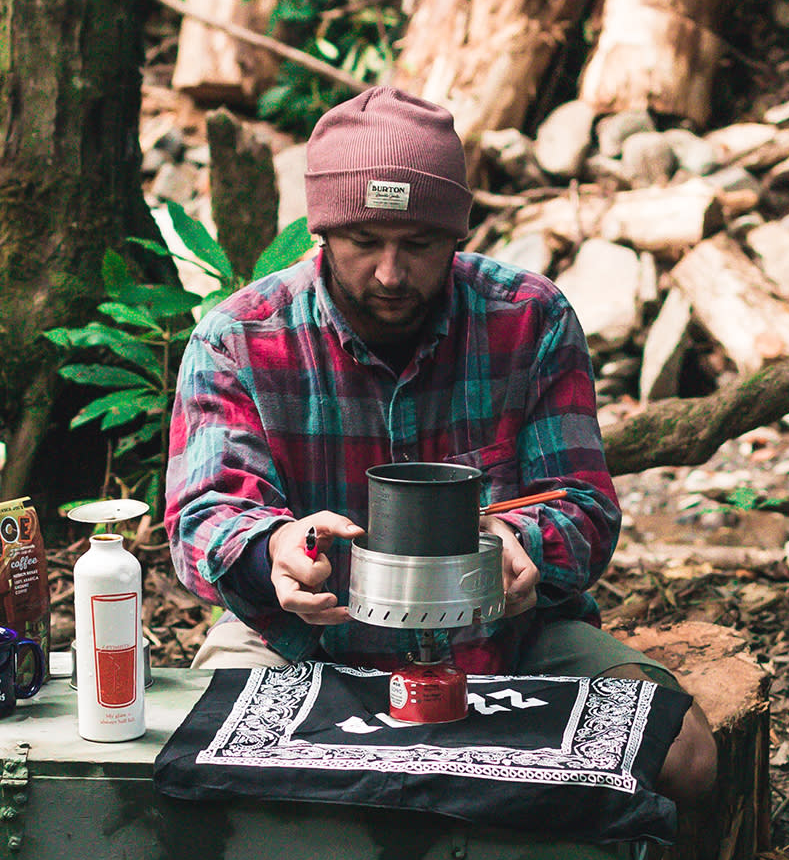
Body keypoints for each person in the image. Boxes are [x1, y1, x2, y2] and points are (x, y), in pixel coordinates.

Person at [164, 85, 717, 800]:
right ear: (321, 232)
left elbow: (585, 505)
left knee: (684, 757)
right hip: (300, 639)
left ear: (455, 237)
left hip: (513, 640)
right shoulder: (240, 338)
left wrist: (522, 550)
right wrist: (273, 549)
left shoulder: (529, 321)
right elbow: (204, 512)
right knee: (209, 769)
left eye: (418, 245)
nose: (390, 273)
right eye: (364, 242)